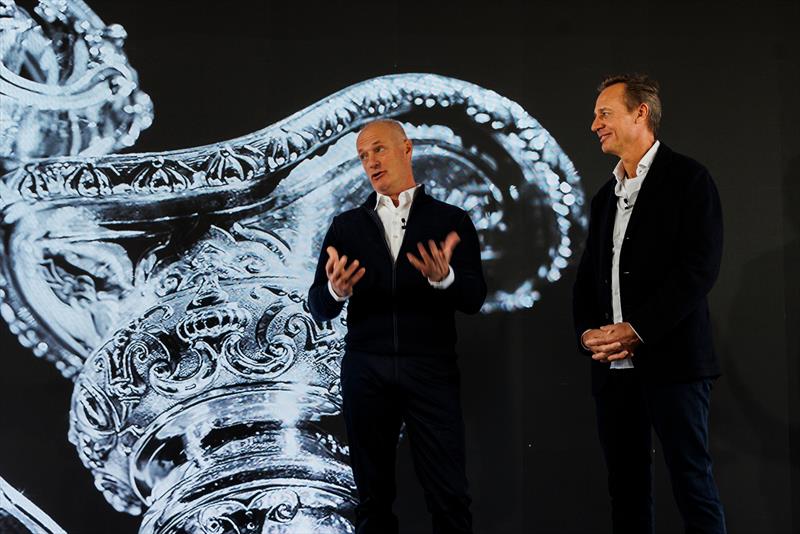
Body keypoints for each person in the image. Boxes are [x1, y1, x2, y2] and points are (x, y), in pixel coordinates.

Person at [308, 119, 486, 534]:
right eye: (363, 156)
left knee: (449, 496)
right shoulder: (346, 226)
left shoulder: (451, 220)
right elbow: (318, 305)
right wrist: (335, 290)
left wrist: (444, 278)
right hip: (365, 370)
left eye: (378, 150)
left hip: (430, 369)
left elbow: (474, 298)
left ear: (406, 149)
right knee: (371, 498)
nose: (370, 161)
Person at [572, 74, 727, 533]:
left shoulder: (688, 179)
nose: (594, 124)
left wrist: (637, 330)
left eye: (604, 113)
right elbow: (586, 283)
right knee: (627, 491)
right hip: (613, 374)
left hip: (675, 367)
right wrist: (588, 336)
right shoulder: (605, 197)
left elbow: (699, 269)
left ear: (641, 113)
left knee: (692, 484)